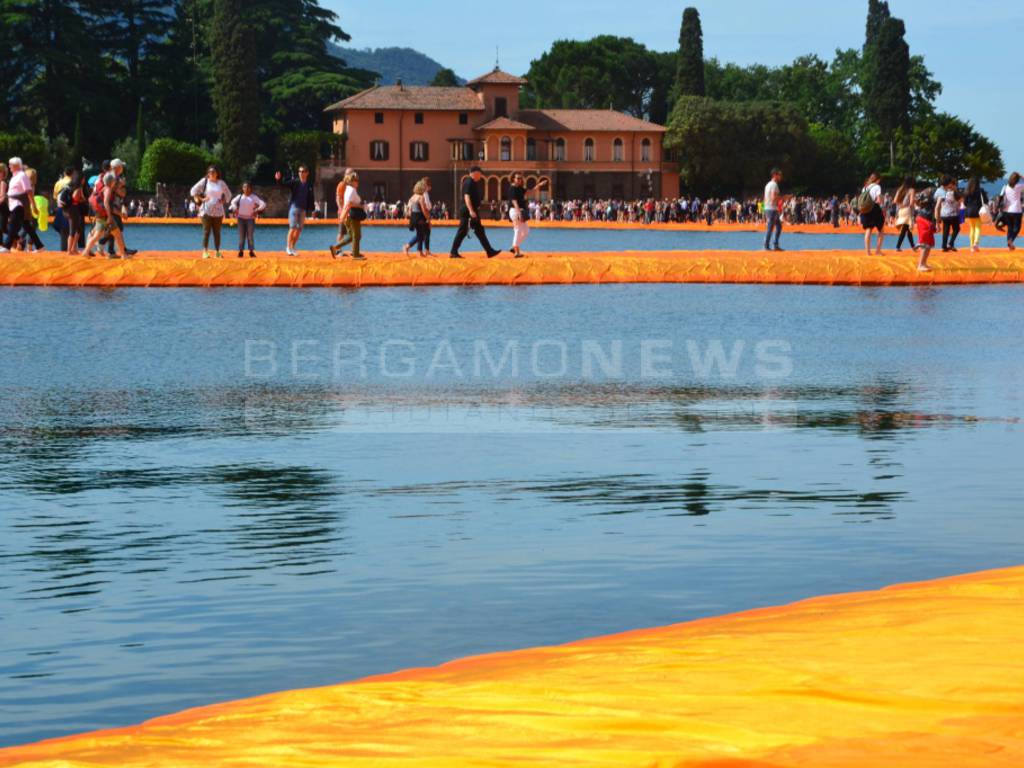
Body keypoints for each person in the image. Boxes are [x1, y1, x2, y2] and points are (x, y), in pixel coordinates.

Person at [450, 166, 499, 259]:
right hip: (468, 211)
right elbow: (466, 197)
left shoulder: (472, 182)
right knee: (462, 231)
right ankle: (453, 252)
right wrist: (471, 210)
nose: (481, 175)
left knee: (479, 231)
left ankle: (489, 251)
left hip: (471, 210)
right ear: (475, 173)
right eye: (480, 173)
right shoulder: (469, 182)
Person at [82, 172, 128, 259]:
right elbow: (106, 203)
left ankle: (86, 251)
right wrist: (110, 216)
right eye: (115, 180)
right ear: (112, 181)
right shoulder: (108, 189)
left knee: (101, 235)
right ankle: (123, 255)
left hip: (101, 215)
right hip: (105, 216)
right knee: (112, 234)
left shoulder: (103, 188)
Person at [189, 166, 231, 259]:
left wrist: (224, 200)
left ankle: (217, 252)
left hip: (218, 211)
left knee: (217, 232)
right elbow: (193, 191)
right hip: (206, 210)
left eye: (213, 172)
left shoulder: (221, 183)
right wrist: (202, 199)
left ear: (217, 173)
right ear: (208, 173)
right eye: (210, 172)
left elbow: (228, 194)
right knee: (206, 231)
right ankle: (205, 251)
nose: (211, 174)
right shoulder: (204, 181)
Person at [275, 165, 315, 255]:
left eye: (303, 171)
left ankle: (293, 247)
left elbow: (311, 197)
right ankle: (288, 248)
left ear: (307, 173)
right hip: (294, 208)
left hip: (303, 209)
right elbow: (283, 185)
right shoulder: (295, 182)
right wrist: (278, 179)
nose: (301, 173)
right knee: (292, 228)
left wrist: (312, 208)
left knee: (299, 229)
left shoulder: (309, 184)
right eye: (300, 171)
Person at [330, 171, 365, 260]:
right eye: (356, 180)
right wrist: (361, 206)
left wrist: (343, 216)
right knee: (356, 236)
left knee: (351, 236)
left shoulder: (349, 189)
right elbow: (349, 203)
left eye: (358, 180)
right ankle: (355, 255)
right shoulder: (351, 190)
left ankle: (335, 248)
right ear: (352, 181)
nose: (358, 182)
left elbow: (347, 203)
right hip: (352, 215)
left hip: (348, 215)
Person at [229, 182, 266, 258]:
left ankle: (251, 251)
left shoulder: (253, 197)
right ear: (242, 189)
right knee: (241, 236)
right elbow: (232, 202)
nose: (246, 189)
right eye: (244, 187)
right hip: (240, 219)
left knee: (250, 236)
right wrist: (235, 208)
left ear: (250, 188)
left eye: (248, 187)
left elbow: (263, 204)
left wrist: (256, 210)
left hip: (250, 219)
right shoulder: (239, 197)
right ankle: (241, 251)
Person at [1, 158, 31, 252]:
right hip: (7, 206)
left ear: (3, 173)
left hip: (4, 207)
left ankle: (16, 241)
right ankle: (15, 242)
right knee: (6, 228)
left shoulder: (3, 183)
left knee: (4, 227)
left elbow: (2, 197)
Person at [858, 172, 885, 255]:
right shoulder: (877, 187)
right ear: (878, 180)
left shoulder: (865, 187)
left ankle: (867, 252)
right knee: (881, 230)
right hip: (874, 208)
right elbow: (879, 200)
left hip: (865, 209)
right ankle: (878, 251)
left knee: (868, 229)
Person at [403, 180, 430, 256]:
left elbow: (409, 210)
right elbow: (423, 209)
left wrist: (411, 217)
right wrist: (427, 218)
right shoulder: (421, 197)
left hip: (414, 217)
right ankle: (407, 246)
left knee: (420, 233)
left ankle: (419, 251)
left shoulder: (412, 197)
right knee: (421, 234)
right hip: (419, 217)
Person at [934, 176, 960, 252]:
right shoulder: (953, 192)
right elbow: (959, 201)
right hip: (953, 214)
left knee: (946, 230)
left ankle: (944, 246)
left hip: (944, 214)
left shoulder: (942, 191)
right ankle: (950, 243)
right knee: (956, 229)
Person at [962, 177, 988, 253]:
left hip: (969, 212)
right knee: (977, 227)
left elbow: (964, 203)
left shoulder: (967, 191)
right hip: (978, 211)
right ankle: (976, 243)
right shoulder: (981, 191)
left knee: (972, 229)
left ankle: (971, 247)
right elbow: (986, 200)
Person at [999, 172, 1023, 251]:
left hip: (1007, 210)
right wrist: (1021, 176)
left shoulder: (1005, 187)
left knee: (1010, 228)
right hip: (1016, 210)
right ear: (1017, 180)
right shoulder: (1018, 186)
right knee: (1017, 228)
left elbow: (1001, 197)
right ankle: (1011, 240)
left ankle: (1010, 245)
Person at [52, 166, 74, 252]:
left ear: (64, 173)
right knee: (72, 230)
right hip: (71, 208)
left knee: (63, 230)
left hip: (61, 208)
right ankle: (71, 249)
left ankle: (63, 250)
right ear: (72, 173)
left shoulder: (58, 183)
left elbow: (55, 196)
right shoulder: (73, 182)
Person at [763, 168, 785, 251]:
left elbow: (765, 198)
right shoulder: (774, 185)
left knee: (778, 226)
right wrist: (784, 198)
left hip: (768, 208)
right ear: (775, 175)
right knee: (771, 227)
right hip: (771, 209)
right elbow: (773, 198)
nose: (781, 176)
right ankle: (767, 246)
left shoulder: (768, 184)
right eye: (779, 175)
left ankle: (773, 245)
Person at [893, 176, 916, 252]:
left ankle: (913, 246)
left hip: (901, 211)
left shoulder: (900, 189)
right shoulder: (911, 190)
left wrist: (901, 205)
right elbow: (912, 202)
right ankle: (898, 246)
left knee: (907, 229)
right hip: (907, 210)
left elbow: (895, 200)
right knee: (906, 229)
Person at [914, 192, 936, 272]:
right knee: (925, 243)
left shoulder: (928, 201)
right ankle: (920, 265)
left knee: (928, 243)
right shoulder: (931, 199)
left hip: (925, 220)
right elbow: (936, 209)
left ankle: (923, 263)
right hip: (924, 220)